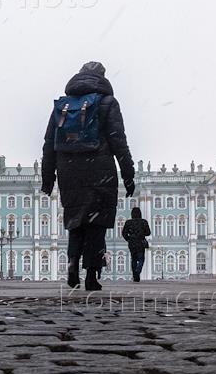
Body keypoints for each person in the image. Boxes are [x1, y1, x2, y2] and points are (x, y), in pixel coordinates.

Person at [41, 61, 134, 291]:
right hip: (99, 171)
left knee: (76, 222)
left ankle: (72, 264)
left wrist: (48, 177)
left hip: (69, 172)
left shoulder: (64, 105)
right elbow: (118, 140)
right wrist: (128, 173)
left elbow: (49, 143)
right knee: (96, 225)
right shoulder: (107, 102)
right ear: (102, 77)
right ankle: (91, 275)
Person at [122, 206, 151, 283]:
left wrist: (128, 239)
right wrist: (142, 233)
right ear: (140, 214)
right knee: (141, 259)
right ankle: (138, 271)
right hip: (141, 242)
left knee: (133, 259)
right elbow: (148, 233)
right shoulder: (144, 222)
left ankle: (135, 275)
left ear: (132, 214)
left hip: (132, 243)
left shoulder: (128, 222)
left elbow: (124, 233)